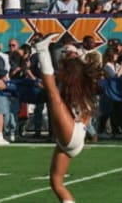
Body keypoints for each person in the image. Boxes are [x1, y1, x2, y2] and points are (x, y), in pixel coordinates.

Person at [33, 33, 103, 203]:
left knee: (53, 94)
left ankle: (42, 51)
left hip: (72, 134)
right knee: (56, 183)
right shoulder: (83, 88)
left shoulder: (75, 87)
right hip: (75, 137)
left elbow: (52, 88)